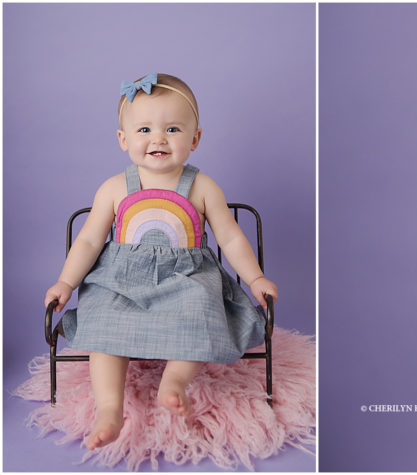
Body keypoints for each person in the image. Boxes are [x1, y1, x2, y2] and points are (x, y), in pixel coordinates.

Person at [43, 73, 278, 451]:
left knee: (201, 310)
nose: (158, 139)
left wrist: (254, 279)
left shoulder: (202, 187)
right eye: (145, 129)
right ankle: (110, 409)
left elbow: (230, 237)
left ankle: (175, 382)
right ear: (123, 139)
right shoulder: (114, 188)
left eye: (172, 128)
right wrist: (65, 283)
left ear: (195, 139)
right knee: (102, 318)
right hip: (121, 279)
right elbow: (88, 240)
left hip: (187, 276)